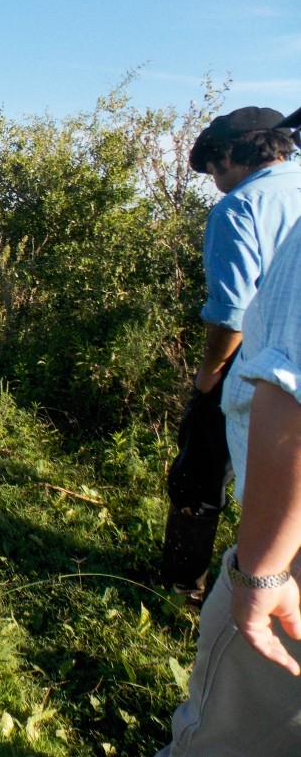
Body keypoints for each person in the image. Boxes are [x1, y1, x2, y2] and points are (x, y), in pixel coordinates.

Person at [156, 198, 301, 756]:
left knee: (223, 734)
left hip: (287, 533)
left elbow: (290, 393)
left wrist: (262, 572)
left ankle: (180, 578)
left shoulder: (241, 208)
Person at [161, 107, 301, 607]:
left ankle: (187, 584)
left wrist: (207, 376)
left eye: (215, 170)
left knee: (200, 471)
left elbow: (231, 312)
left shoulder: (241, 207)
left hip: (252, 362)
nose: (217, 184)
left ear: (228, 157)